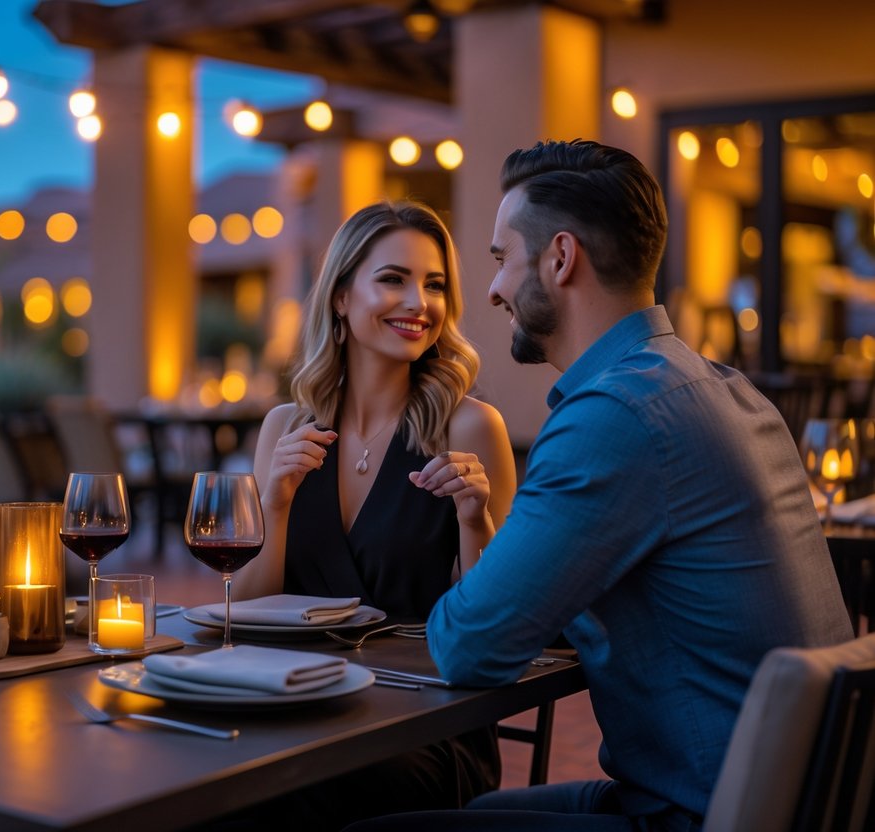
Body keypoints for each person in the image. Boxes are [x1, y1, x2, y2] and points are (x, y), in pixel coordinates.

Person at [346, 140, 853, 832]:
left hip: (703, 813)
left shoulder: (615, 416)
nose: (490, 291)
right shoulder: (721, 389)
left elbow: (469, 645)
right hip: (781, 799)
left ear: (559, 258)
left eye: (500, 260)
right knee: (478, 811)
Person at [227, 199, 516, 828]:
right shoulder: (284, 427)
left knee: (276, 794)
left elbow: (497, 626)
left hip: (420, 726)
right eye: (393, 279)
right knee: (197, 776)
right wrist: (273, 506)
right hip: (296, 706)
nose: (419, 301)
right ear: (339, 296)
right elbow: (243, 617)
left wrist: (475, 523)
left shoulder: (470, 427)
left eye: (434, 284)